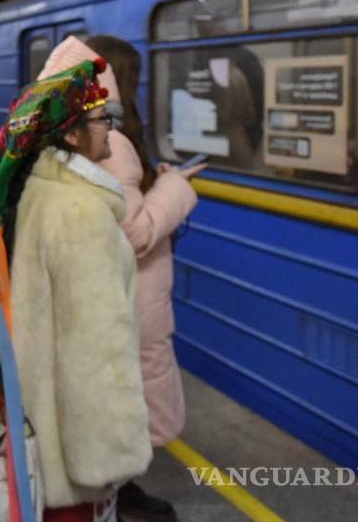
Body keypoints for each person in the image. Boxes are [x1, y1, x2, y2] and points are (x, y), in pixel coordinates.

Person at [0, 54, 151, 522]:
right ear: (73, 135)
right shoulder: (82, 212)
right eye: (102, 120)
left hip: (48, 432)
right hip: (81, 455)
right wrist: (108, 454)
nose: (111, 131)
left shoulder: (42, 192)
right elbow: (96, 350)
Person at [86, 35, 202, 522]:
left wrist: (155, 179)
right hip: (128, 293)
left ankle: (119, 487)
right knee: (122, 393)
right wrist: (175, 189)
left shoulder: (105, 133)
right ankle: (116, 493)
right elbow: (133, 234)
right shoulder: (111, 139)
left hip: (130, 294)